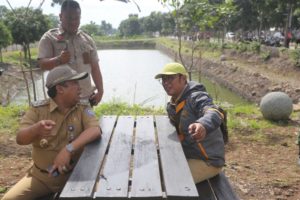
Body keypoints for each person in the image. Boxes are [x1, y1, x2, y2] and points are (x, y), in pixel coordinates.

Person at [1, 64, 102, 200]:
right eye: (74, 83)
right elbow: (21, 139)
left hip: (76, 177)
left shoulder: (82, 108)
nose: (79, 87)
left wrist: (68, 149)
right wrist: (35, 129)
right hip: (42, 179)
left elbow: (94, 130)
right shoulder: (38, 110)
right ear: (60, 89)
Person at [155, 62, 225, 188]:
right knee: (157, 168)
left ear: (183, 78)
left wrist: (202, 124)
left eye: (170, 78)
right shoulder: (173, 104)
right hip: (189, 153)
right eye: (164, 80)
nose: (166, 83)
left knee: (170, 183)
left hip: (207, 161)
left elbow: (214, 111)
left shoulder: (196, 96)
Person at [38, 0, 103, 106]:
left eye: (76, 18)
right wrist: (58, 60)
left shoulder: (87, 39)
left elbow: (95, 68)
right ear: (60, 16)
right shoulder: (49, 38)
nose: (73, 22)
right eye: (69, 18)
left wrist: (100, 91)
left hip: (86, 99)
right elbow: (42, 64)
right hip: (62, 102)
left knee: (88, 123)